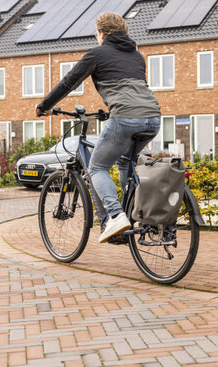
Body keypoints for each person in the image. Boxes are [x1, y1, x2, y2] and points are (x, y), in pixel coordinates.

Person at [36, 12, 161, 243]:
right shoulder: (137, 56)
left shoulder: (97, 53)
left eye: (97, 33)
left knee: (97, 167)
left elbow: (68, 82)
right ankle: (134, 213)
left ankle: (115, 215)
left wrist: (44, 106)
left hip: (124, 117)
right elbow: (131, 90)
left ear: (102, 33)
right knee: (125, 160)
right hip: (153, 118)